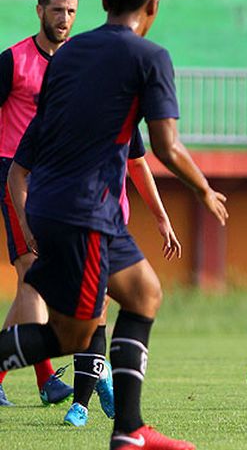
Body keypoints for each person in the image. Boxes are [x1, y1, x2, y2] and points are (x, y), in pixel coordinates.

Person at [1, 0, 228, 449]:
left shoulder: (67, 56)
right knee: (72, 335)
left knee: (144, 293)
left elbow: (36, 142)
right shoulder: (150, 57)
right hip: (82, 211)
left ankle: (129, 428)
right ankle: (126, 428)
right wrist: (203, 188)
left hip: (64, 204)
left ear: (103, 2)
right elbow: (166, 146)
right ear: (153, 6)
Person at [62, 133, 183, 427]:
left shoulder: (123, 115)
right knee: (77, 312)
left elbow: (138, 165)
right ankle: (99, 373)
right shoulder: (63, 110)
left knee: (96, 305)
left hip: (109, 226)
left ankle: (80, 406)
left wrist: (161, 217)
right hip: (66, 222)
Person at [0, 0, 79, 407]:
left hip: (58, 178)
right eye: (56, 10)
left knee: (32, 283)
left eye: (70, 10)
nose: (64, 18)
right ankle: (46, 377)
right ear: (39, 10)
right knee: (33, 269)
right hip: (15, 174)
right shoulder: (12, 60)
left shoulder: (75, 62)